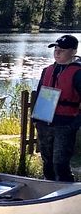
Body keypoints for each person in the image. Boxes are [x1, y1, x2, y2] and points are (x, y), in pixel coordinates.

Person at [34, 34, 81, 182]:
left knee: (60, 164)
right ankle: (48, 192)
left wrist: (75, 123)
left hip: (65, 124)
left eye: (62, 50)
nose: (57, 52)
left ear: (73, 51)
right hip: (44, 122)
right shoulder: (47, 70)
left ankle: (66, 196)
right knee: (47, 162)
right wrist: (36, 119)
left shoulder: (78, 73)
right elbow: (40, 94)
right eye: (55, 49)